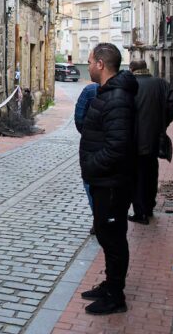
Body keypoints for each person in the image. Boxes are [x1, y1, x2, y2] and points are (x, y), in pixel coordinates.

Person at [79, 43, 138, 315]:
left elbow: (117, 146)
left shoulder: (116, 98)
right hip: (105, 181)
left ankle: (116, 296)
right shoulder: (109, 93)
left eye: (91, 61)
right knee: (106, 234)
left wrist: (91, 165)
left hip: (111, 182)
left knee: (113, 238)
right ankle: (110, 284)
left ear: (101, 64)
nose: (89, 65)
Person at [128, 60, 173, 224]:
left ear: (132, 69)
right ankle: (149, 207)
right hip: (155, 139)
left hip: (134, 140)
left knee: (137, 176)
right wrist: (162, 124)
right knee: (151, 173)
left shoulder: (130, 84)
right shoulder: (161, 84)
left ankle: (140, 213)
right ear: (146, 68)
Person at [74, 82, 99, 233]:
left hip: (92, 147)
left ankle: (99, 218)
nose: (88, 70)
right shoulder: (125, 89)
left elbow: (79, 117)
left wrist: (88, 133)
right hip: (118, 146)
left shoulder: (90, 90)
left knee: (90, 183)